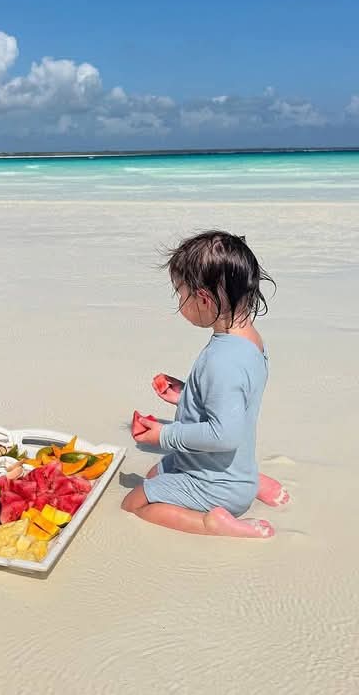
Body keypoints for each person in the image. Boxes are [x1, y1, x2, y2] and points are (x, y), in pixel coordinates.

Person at [121, 230, 289, 537]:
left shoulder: (220, 360)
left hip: (215, 484)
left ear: (203, 298)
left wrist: (164, 435)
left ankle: (213, 523)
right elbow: (234, 401)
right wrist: (186, 395)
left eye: (179, 292)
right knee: (153, 474)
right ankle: (252, 481)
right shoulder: (249, 342)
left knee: (133, 504)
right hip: (227, 468)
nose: (178, 301)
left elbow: (223, 434)